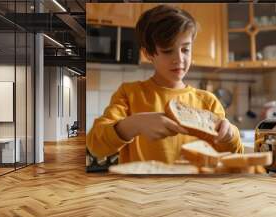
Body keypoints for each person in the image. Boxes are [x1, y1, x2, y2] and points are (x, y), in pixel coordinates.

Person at [86, 4, 243, 164]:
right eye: (168, 50)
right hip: (142, 188)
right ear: (148, 54)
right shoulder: (130, 94)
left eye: (185, 49)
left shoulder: (208, 101)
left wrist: (230, 135)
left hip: (194, 187)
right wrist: (134, 124)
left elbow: (233, 157)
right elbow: (95, 146)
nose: (179, 59)